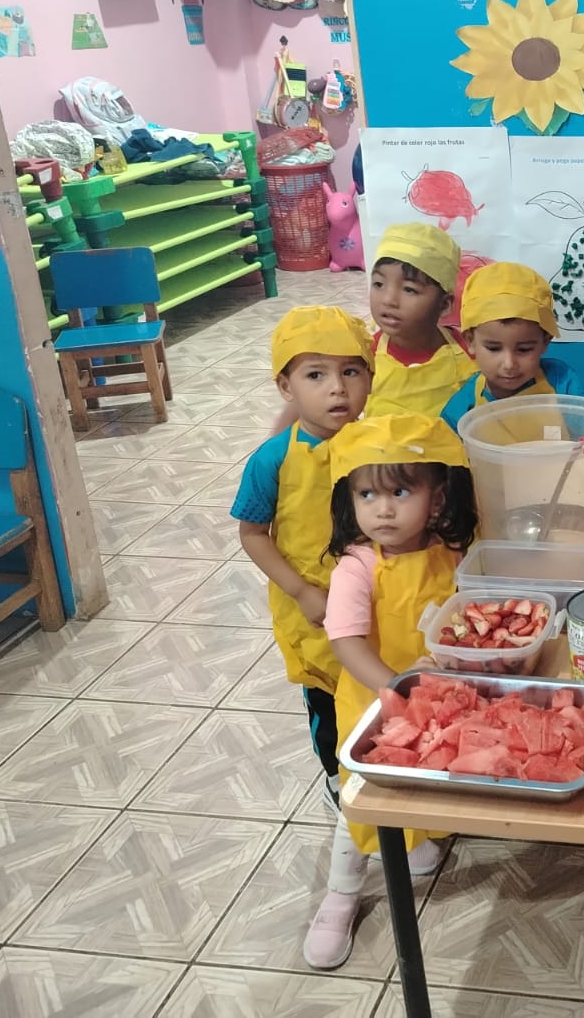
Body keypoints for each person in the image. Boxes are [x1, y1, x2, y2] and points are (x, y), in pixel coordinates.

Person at [304, 414, 476, 970]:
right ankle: (340, 898)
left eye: (400, 492)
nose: (382, 509)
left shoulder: (450, 552)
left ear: (436, 497)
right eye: (367, 494)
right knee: (361, 807)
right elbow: (346, 642)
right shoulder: (356, 569)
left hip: (434, 704)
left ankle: (415, 842)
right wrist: (393, 691)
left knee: (422, 784)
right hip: (374, 708)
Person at [232, 306, 373, 811]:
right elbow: (252, 534)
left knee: (374, 689)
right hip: (312, 607)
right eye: (316, 375)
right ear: (285, 386)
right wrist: (301, 590)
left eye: (351, 371)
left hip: (376, 598)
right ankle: (338, 780)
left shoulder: (380, 446)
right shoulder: (273, 459)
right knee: (328, 697)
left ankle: (383, 774)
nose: (337, 389)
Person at [439, 261, 584, 433]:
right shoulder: (461, 411)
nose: (509, 364)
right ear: (470, 342)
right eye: (493, 348)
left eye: (524, 349)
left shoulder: (561, 382)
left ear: (545, 341)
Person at [362, 223, 478, 420]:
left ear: (444, 304)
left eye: (409, 289)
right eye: (379, 284)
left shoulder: (469, 351)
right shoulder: (366, 356)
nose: (388, 299)